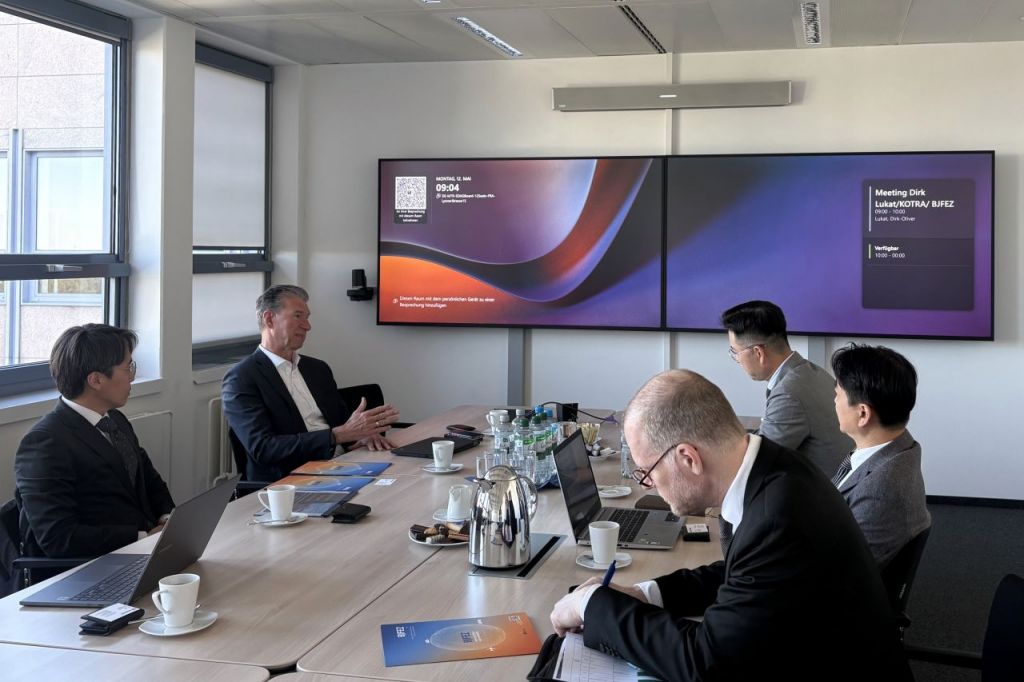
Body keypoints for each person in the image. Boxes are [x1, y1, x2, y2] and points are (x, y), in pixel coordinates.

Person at [549, 370, 910, 681]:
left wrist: (591, 604)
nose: (648, 485)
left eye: (647, 472)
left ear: (688, 458)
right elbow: (742, 576)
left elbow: (705, 664)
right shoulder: (773, 468)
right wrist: (645, 594)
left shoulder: (778, 517)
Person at [15, 324, 175, 559]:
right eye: (128, 368)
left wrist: (167, 517)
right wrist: (141, 537)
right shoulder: (44, 443)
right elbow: (58, 538)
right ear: (96, 380)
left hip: (145, 550)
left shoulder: (115, 419)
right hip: (93, 565)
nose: (132, 377)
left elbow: (148, 480)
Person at [222, 284, 400, 482]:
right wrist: (337, 436)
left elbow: (343, 425)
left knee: (404, 478)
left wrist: (362, 435)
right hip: (292, 480)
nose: (307, 326)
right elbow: (263, 448)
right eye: (298, 316)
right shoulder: (241, 378)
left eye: (307, 317)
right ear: (269, 319)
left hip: (344, 464)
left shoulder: (317, 369)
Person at [721, 299, 852, 475]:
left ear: (758, 353)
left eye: (735, 352)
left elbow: (756, 463)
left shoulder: (789, 393)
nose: (737, 359)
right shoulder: (811, 372)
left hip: (817, 490)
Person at [831, 344, 930, 567]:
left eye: (837, 394)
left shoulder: (879, 490)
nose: (834, 401)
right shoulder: (898, 447)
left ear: (863, 413)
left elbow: (840, 572)